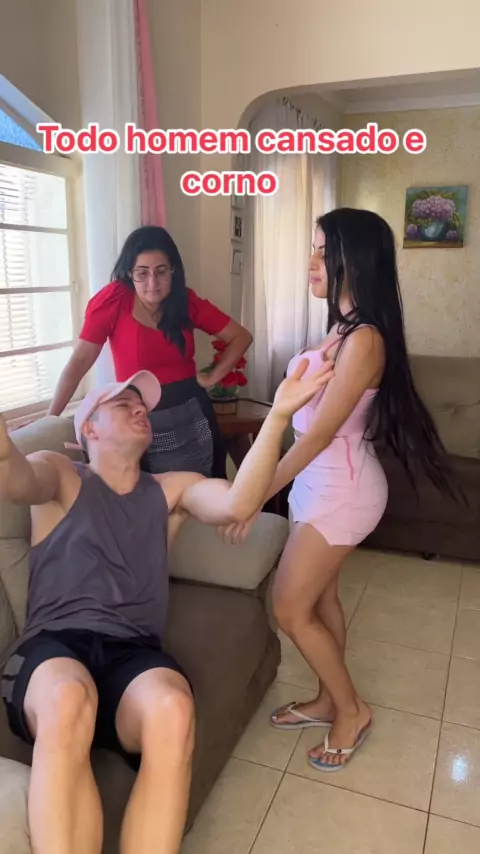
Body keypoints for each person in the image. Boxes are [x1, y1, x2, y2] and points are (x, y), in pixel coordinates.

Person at [0, 358, 333, 854]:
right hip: (54, 648)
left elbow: (239, 503)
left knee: (174, 710)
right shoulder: (62, 475)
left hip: (132, 653)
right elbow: (15, 480)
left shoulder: (169, 489)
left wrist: (279, 415)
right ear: (89, 427)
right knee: (69, 698)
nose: (140, 409)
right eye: (124, 403)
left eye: (142, 405)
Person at [221, 208, 459, 772]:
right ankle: (330, 698)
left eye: (323, 251)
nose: (311, 262)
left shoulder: (366, 340)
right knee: (321, 598)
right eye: (312, 248)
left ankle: (351, 710)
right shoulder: (343, 328)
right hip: (316, 485)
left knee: (288, 605)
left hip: (342, 492)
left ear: (356, 261)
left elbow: (319, 435)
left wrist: (255, 495)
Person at [48, 225, 253, 478]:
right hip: (140, 418)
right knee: (153, 495)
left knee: (209, 489)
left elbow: (240, 336)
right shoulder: (114, 300)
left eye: (161, 271)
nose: (152, 283)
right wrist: (50, 417)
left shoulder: (185, 301)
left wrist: (212, 377)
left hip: (193, 414)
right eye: (142, 273)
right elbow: (80, 361)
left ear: (173, 271)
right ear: (129, 272)